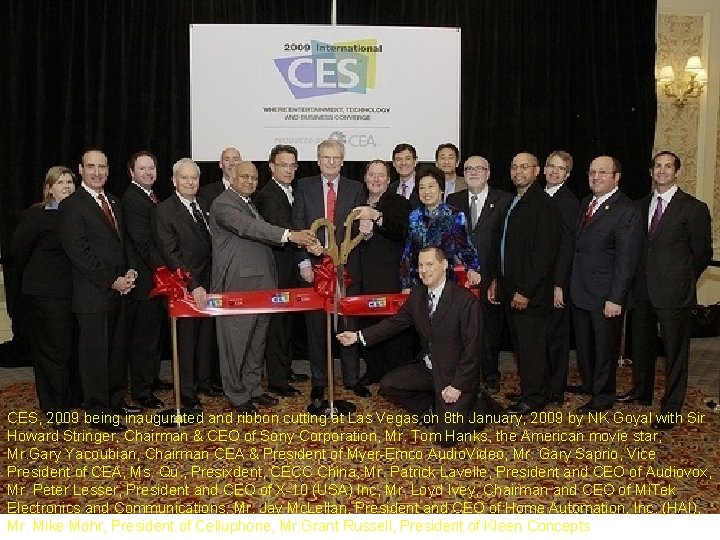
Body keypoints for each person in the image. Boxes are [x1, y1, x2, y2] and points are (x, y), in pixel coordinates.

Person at [337, 246, 482, 447]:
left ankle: (477, 405)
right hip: (429, 367)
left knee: (445, 439)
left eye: (429, 264)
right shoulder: (417, 295)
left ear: (444, 265)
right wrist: (358, 336)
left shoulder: (465, 300)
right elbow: (394, 323)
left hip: (454, 375)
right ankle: (431, 407)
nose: (424, 270)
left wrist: (457, 386)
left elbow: (473, 350)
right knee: (388, 385)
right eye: (420, 265)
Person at [210, 161, 319, 413]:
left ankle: (253, 388)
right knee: (236, 344)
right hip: (239, 288)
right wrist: (289, 235)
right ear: (232, 177)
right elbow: (249, 228)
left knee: (256, 343)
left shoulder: (248, 203)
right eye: (244, 177)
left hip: (261, 285)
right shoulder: (224, 204)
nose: (250, 182)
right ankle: (237, 395)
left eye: (254, 178)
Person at [621, 151, 712, 430]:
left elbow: (702, 253)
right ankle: (641, 392)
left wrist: (683, 279)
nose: (662, 171)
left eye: (668, 166)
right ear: (651, 172)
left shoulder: (693, 208)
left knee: (675, 353)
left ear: (677, 172)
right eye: (657, 166)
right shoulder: (638, 206)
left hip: (674, 293)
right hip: (641, 291)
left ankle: (671, 409)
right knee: (641, 347)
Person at [58, 149, 138, 432]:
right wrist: (111, 280)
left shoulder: (114, 201)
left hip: (120, 291)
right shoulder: (72, 205)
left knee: (116, 353)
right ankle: (98, 412)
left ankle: (115, 401)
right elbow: (79, 253)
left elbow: (121, 244)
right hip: (92, 294)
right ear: (80, 170)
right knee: (95, 357)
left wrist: (129, 272)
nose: (97, 172)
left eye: (102, 167)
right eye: (90, 166)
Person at [292, 139, 370, 402]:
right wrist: (303, 262)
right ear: (318, 160)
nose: (331, 162)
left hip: (348, 267)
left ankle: (352, 378)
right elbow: (298, 225)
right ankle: (319, 380)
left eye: (336, 158)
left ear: (343, 161)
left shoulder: (355, 188)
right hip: (315, 268)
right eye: (327, 157)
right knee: (316, 327)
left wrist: (367, 230)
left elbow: (360, 227)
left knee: (349, 324)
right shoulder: (304, 186)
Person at [570, 155, 642, 413]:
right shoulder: (586, 203)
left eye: (602, 172)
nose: (596, 177)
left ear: (616, 177)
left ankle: (603, 396)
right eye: (592, 172)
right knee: (585, 346)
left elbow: (627, 261)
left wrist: (616, 298)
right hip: (581, 291)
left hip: (606, 297)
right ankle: (591, 385)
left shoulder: (627, 211)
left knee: (604, 350)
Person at [11, 166, 77, 429]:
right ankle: (55, 409)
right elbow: (18, 251)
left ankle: (69, 399)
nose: (66, 186)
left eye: (70, 182)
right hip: (45, 295)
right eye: (60, 182)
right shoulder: (36, 216)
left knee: (69, 349)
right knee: (52, 352)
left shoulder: (79, 213)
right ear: (49, 188)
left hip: (74, 293)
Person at [494, 152, 560, 415]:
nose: (518, 171)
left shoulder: (543, 205)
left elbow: (544, 255)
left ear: (537, 170)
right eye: (514, 166)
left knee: (532, 348)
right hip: (511, 289)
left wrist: (525, 291)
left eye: (524, 167)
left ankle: (534, 398)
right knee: (522, 347)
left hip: (529, 294)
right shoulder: (515, 201)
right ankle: (530, 389)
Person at [153, 158, 215, 412]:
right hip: (185, 286)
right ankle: (186, 394)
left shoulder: (204, 204)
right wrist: (193, 284)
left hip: (210, 282)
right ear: (174, 181)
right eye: (184, 178)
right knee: (186, 342)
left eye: (194, 178)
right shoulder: (164, 210)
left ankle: (203, 383)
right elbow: (171, 253)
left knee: (204, 338)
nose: (190, 182)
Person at [447, 155, 513, 394]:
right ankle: (463, 376)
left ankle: (491, 374)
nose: (473, 172)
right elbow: (450, 237)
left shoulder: (504, 200)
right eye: (469, 169)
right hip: (460, 277)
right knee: (460, 329)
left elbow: (507, 242)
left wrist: (496, 277)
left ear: (488, 173)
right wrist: (462, 267)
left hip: (491, 278)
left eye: (479, 169)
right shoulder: (453, 200)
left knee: (489, 330)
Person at [352, 159, 413, 385]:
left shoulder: (398, 202)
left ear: (388, 180)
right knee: (367, 325)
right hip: (362, 277)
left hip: (389, 277)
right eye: (372, 175)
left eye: (381, 175)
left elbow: (400, 231)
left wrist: (376, 217)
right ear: (365, 178)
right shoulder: (356, 203)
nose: (376, 179)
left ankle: (396, 374)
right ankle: (373, 370)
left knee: (391, 326)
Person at [254, 144, 308, 396]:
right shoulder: (268, 195)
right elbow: (282, 227)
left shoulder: (291, 191)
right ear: (271, 167)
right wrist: (310, 239)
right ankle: (277, 379)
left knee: (287, 323)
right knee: (276, 325)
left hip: (290, 269)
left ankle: (285, 369)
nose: (288, 170)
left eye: (292, 165)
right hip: (276, 269)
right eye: (283, 165)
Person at [120, 151, 166, 409]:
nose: (148, 173)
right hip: (144, 281)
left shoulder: (148, 195)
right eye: (142, 169)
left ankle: (151, 378)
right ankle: (142, 392)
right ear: (131, 172)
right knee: (144, 339)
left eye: (151, 168)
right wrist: (164, 269)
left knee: (153, 335)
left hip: (153, 280)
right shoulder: (133, 200)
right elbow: (144, 243)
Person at [398, 164, 481, 292]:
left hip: (446, 281)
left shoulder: (454, 215)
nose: (426, 191)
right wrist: (406, 284)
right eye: (422, 188)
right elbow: (408, 253)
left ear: (441, 189)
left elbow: (465, 248)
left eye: (431, 186)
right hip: (418, 282)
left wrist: (472, 268)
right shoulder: (414, 216)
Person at [542, 151, 580, 406]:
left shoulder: (568, 202)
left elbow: (567, 247)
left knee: (556, 339)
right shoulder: (537, 195)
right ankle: (539, 387)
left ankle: (555, 392)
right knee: (540, 339)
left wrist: (558, 285)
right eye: (551, 166)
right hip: (538, 281)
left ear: (567, 175)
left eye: (560, 168)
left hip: (555, 282)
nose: (554, 171)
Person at [388, 143, 421, 209]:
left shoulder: (424, 186)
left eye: (407, 159)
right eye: (399, 159)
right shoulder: (390, 189)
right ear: (394, 163)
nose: (403, 163)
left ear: (415, 161)